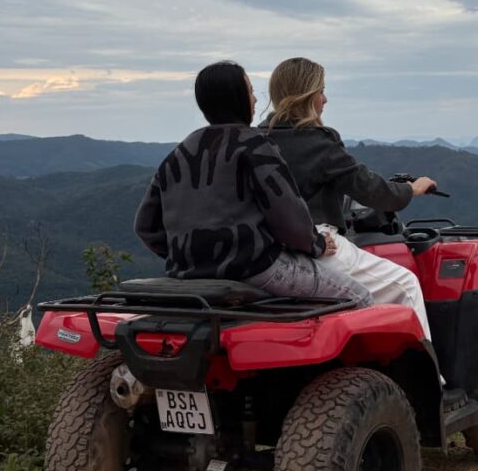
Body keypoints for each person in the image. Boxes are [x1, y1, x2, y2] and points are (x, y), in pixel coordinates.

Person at [134, 60, 373, 308]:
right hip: (257, 268)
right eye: (249, 91)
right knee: (361, 298)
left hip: (188, 273)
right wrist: (318, 245)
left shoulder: (180, 152)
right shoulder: (255, 146)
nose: (256, 100)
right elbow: (289, 217)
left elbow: (145, 226)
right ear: (236, 98)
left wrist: (193, 257)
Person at [262, 56, 436, 341]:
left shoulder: (257, 138)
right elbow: (372, 190)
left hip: (265, 249)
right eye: (320, 91)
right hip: (317, 244)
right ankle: (429, 382)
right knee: (405, 284)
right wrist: (412, 189)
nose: (325, 99)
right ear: (306, 96)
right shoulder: (318, 142)